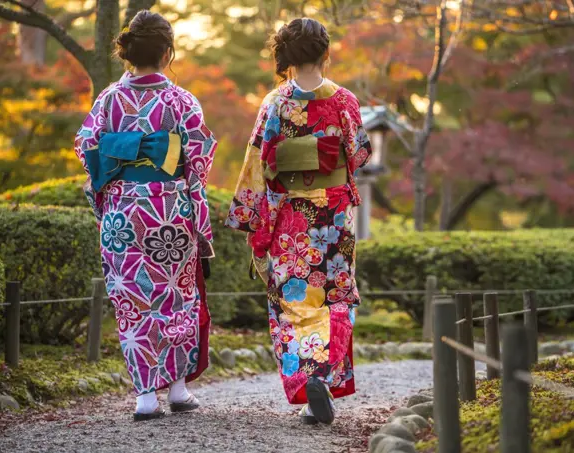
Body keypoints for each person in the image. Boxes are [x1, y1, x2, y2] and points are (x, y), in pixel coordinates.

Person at [226, 17, 372, 425]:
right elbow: (359, 154)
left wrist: (251, 218)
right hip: (335, 214)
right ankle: (321, 380)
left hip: (292, 217)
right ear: (326, 54)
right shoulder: (344, 101)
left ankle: (311, 380)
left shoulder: (275, 103)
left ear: (287, 57)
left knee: (295, 299)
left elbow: (258, 162)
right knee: (337, 295)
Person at [74, 10, 217, 421]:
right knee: (175, 296)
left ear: (128, 50)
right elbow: (198, 160)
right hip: (168, 210)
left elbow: (88, 148)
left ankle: (145, 398)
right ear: (168, 51)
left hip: (122, 210)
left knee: (132, 300)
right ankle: (177, 389)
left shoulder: (109, 99)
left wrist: (109, 192)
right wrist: (197, 214)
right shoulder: (181, 100)